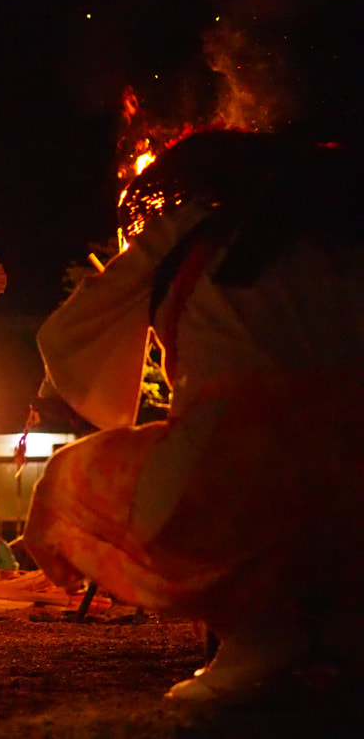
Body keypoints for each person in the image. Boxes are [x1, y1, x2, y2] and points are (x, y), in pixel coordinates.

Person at [23, 130, 364, 703]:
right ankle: (345, 626)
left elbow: (64, 335)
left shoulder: (193, 228)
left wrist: (127, 387)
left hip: (236, 461)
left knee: (70, 477)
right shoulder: (345, 230)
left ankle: (258, 631)